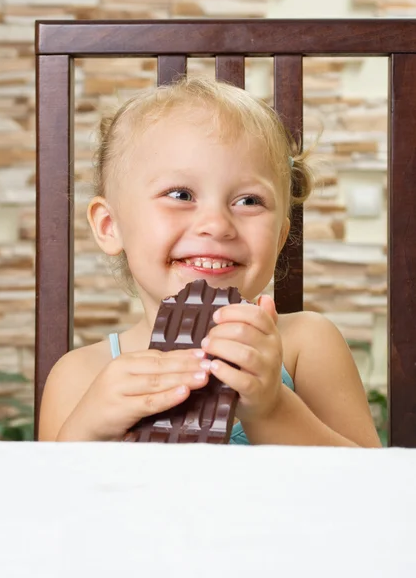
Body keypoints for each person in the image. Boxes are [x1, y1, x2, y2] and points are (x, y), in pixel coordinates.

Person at [38, 76, 381, 447]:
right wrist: (87, 430)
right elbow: (53, 499)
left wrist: (272, 408)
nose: (217, 225)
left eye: (249, 201)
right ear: (110, 226)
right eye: (181, 194)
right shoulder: (80, 376)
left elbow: (367, 488)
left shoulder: (305, 345)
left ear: (280, 237)